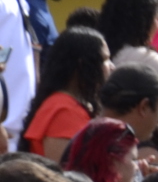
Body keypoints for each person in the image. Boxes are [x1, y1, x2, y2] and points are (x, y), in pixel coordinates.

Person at [25, 25, 105, 160]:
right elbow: (64, 174)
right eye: (105, 60)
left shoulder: (67, 104)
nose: (111, 66)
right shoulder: (64, 111)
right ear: (82, 65)